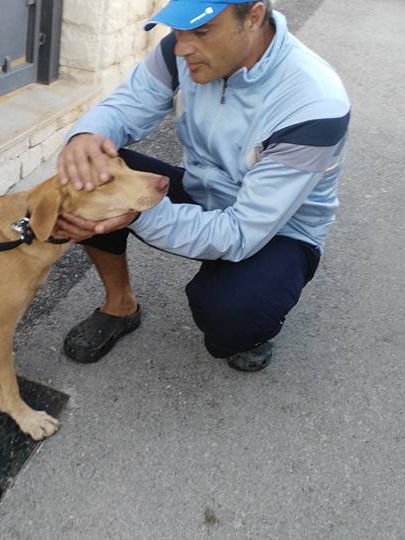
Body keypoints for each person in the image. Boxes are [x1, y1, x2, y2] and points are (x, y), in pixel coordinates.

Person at [53, 0, 350, 371]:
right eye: (178, 30)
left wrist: (137, 211)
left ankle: (251, 325)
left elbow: (242, 231)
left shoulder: (314, 104)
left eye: (202, 30)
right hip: (205, 189)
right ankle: (120, 305)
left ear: (254, 17)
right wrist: (86, 136)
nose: (181, 47)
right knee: (90, 177)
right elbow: (129, 104)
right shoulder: (178, 52)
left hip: (279, 230)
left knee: (232, 313)